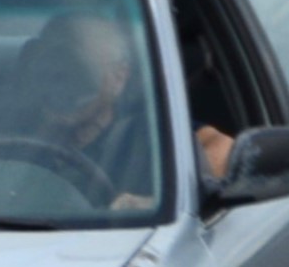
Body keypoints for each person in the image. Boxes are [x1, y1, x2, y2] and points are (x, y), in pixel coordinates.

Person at [25, 12, 235, 186]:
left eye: (78, 69)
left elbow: (221, 146)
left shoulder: (147, 136)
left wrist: (192, 189)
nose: (60, 79)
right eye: (50, 64)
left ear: (119, 77)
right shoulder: (6, 121)